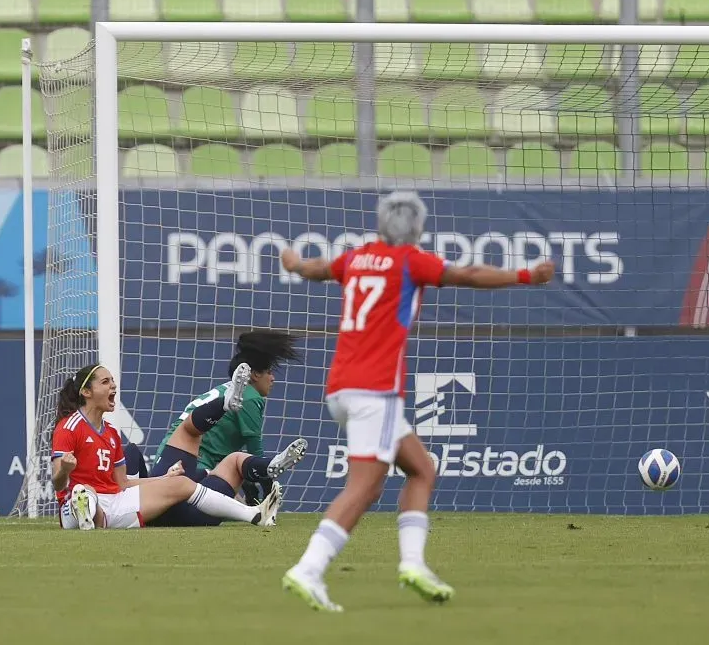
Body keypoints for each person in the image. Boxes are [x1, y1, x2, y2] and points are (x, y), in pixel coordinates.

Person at [279, 191, 556, 612]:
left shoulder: (356, 258)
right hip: (375, 391)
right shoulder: (410, 260)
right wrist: (524, 276)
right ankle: (309, 568)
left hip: (341, 387)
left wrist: (297, 264)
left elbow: (319, 269)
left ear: (378, 225)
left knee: (422, 469)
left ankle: (413, 564)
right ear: (418, 230)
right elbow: (469, 274)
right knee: (365, 488)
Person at [51, 363, 282, 530]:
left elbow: (123, 483)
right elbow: (58, 483)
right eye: (105, 382)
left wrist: (164, 479)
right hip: (73, 505)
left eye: (113, 381)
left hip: (115, 501)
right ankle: (88, 512)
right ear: (86, 392)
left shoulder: (110, 433)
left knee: (180, 483)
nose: (113, 386)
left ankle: (254, 515)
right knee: (84, 492)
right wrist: (65, 471)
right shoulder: (68, 427)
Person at [148, 330, 308, 524]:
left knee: (235, 503)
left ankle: (255, 506)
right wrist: (268, 489)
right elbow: (255, 452)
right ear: (255, 374)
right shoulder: (250, 397)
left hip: (167, 460)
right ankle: (265, 484)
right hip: (191, 468)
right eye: (269, 372)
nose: (273, 378)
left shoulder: (227, 390)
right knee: (228, 494)